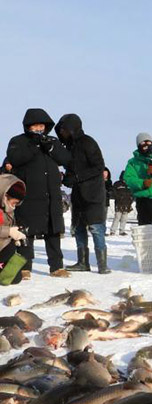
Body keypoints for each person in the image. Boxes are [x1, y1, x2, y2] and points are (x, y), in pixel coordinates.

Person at [6, 108, 72, 278]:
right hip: (28, 196)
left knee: (53, 232)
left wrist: (51, 148)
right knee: (26, 232)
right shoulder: (18, 141)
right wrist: (35, 145)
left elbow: (66, 159)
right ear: (28, 127)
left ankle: (56, 267)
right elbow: (15, 158)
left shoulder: (52, 141)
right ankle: (25, 267)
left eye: (41, 125)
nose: (38, 128)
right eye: (34, 126)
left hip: (50, 196)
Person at [56, 114, 110, 274]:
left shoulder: (88, 142)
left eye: (65, 129)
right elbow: (72, 170)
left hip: (93, 194)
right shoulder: (69, 147)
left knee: (96, 228)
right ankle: (83, 262)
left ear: (72, 128)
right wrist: (66, 179)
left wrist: (78, 177)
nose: (63, 133)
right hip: (78, 195)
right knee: (79, 228)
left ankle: (102, 265)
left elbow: (99, 166)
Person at [0, 175, 27, 285]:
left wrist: (15, 235)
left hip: (3, 245)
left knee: (16, 278)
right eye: (14, 203)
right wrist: (9, 232)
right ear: (5, 196)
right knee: (10, 249)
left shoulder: (8, 208)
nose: (15, 206)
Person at [110, 172, 133, 236]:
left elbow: (132, 193)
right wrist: (118, 197)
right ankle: (113, 231)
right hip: (119, 203)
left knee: (124, 218)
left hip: (127, 204)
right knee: (117, 217)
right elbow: (113, 192)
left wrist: (131, 199)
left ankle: (122, 231)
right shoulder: (117, 183)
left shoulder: (130, 184)